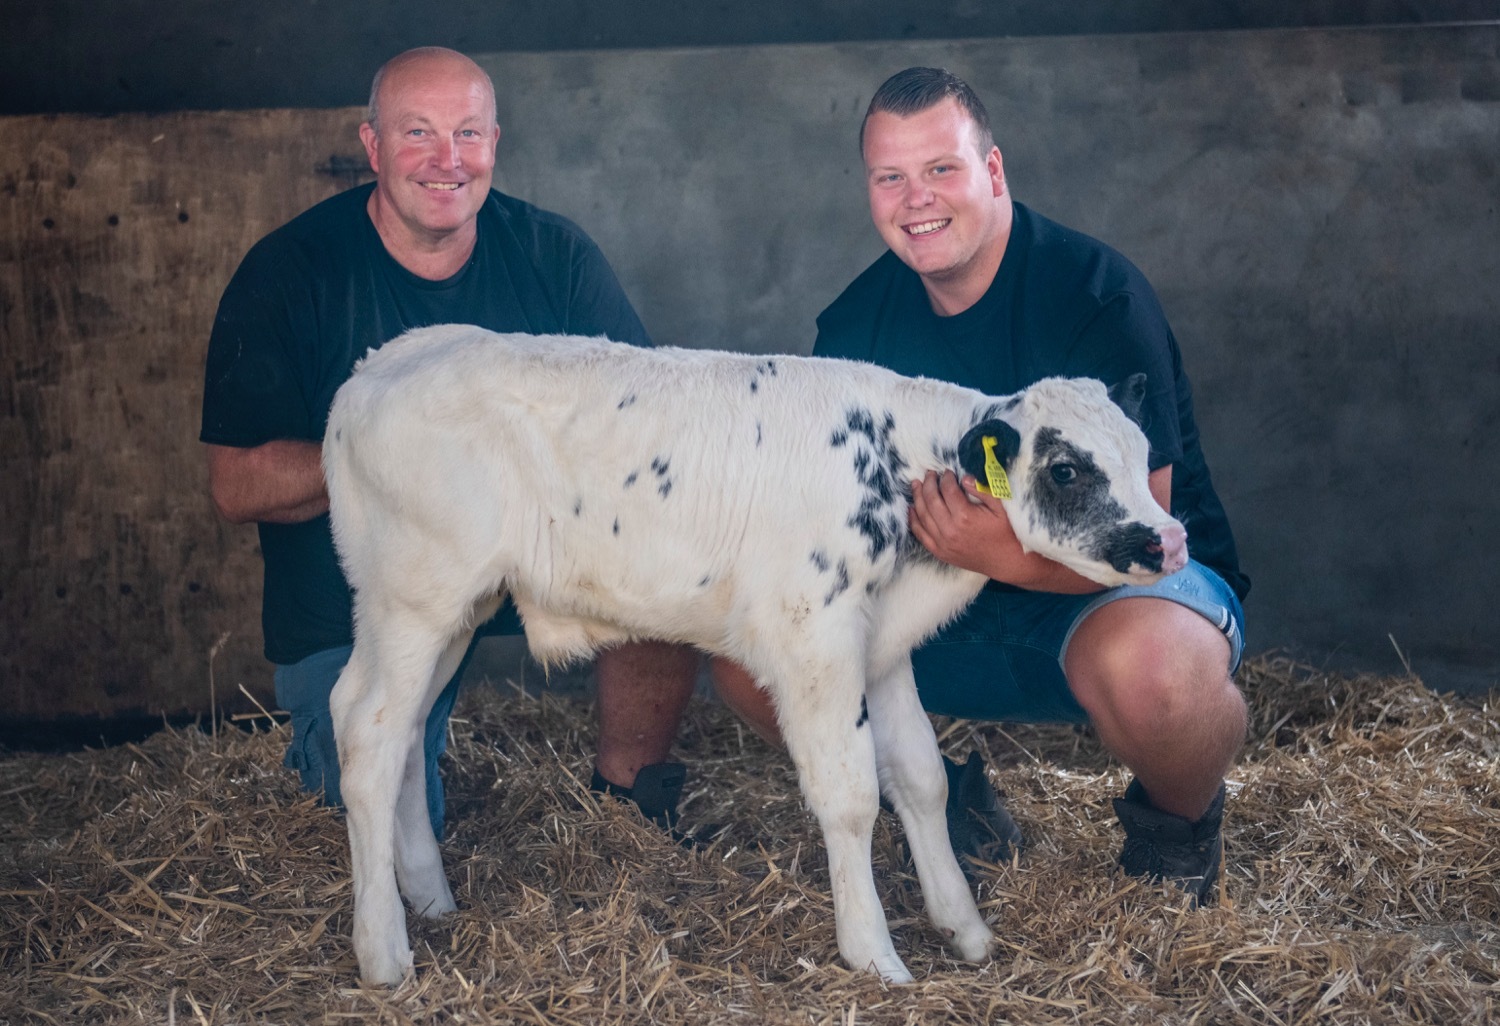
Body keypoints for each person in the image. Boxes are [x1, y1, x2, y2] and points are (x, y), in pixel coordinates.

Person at [706, 67, 1250, 903]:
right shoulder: (855, 328)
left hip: (1114, 599)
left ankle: (1175, 830)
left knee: (1164, 675)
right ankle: (936, 805)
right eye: (891, 177)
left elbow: (1149, 531)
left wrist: (995, 551)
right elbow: (827, 529)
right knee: (752, 660)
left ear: (993, 172)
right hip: (939, 603)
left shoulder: (1094, 295)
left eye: (941, 169)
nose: (916, 198)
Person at [201, 46, 699, 839]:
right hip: (364, 593)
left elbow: (644, 424)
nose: (447, 161)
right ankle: (330, 752)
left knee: (673, 554)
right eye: (418, 133)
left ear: (495, 142)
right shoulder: (291, 273)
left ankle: (626, 803)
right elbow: (236, 484)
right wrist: (411, 453)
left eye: (468, 134)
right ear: (372, 147)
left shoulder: (553, 257)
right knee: (386, 823)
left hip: (528, 554)